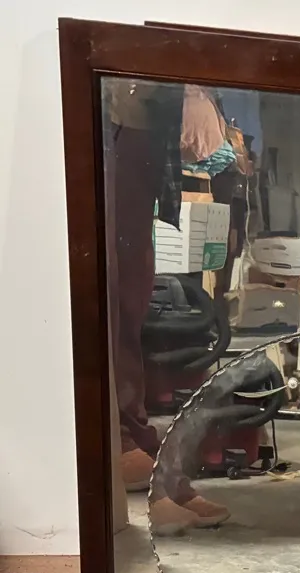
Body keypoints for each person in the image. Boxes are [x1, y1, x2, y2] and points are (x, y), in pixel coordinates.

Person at [104, 80, 231, 534]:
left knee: (131, 297)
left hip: (140, 127)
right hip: (118, 122)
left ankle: (137, 444)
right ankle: (124, 445)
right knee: (111, 297)